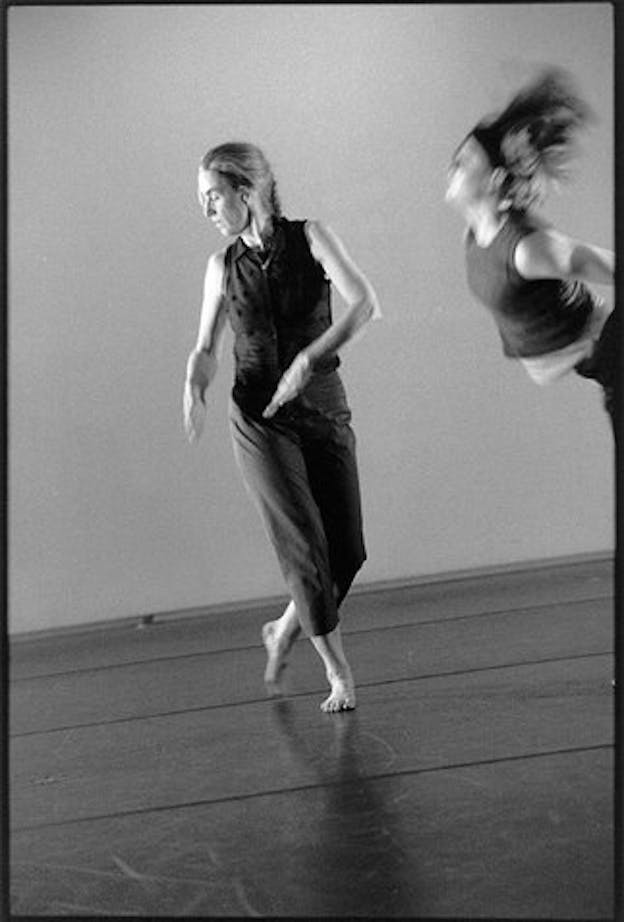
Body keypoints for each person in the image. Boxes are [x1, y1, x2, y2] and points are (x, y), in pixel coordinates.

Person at [183, 142, 381, 713]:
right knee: (304, 544)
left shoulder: (312, 237)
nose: (207, 211)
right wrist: (193, 382)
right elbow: (205, 347)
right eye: (202, 200)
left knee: (347, 549)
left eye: (213, 197)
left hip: (321, 404)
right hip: (258, 416)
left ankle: (283, 625)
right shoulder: (222, 267)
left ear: (248, 190)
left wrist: (308, 361)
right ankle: (338, 674)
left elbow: (366, 304)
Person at [444, 68, 616, 433]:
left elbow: (599, 264)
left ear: (493, 181)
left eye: (463, 162)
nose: (452, 169)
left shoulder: (524, 250)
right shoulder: (474, 236)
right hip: (597, 364)